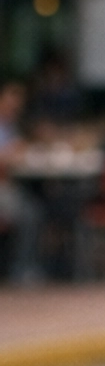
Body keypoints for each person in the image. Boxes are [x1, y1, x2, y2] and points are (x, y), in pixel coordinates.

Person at [0, 80, 43, 283]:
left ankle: (28, 265)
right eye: (10, 102)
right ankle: (21, 268)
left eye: (17, 103)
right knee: (28, 213)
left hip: (10, 184)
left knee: (36, 205)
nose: (14, 107)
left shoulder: (10, 126)